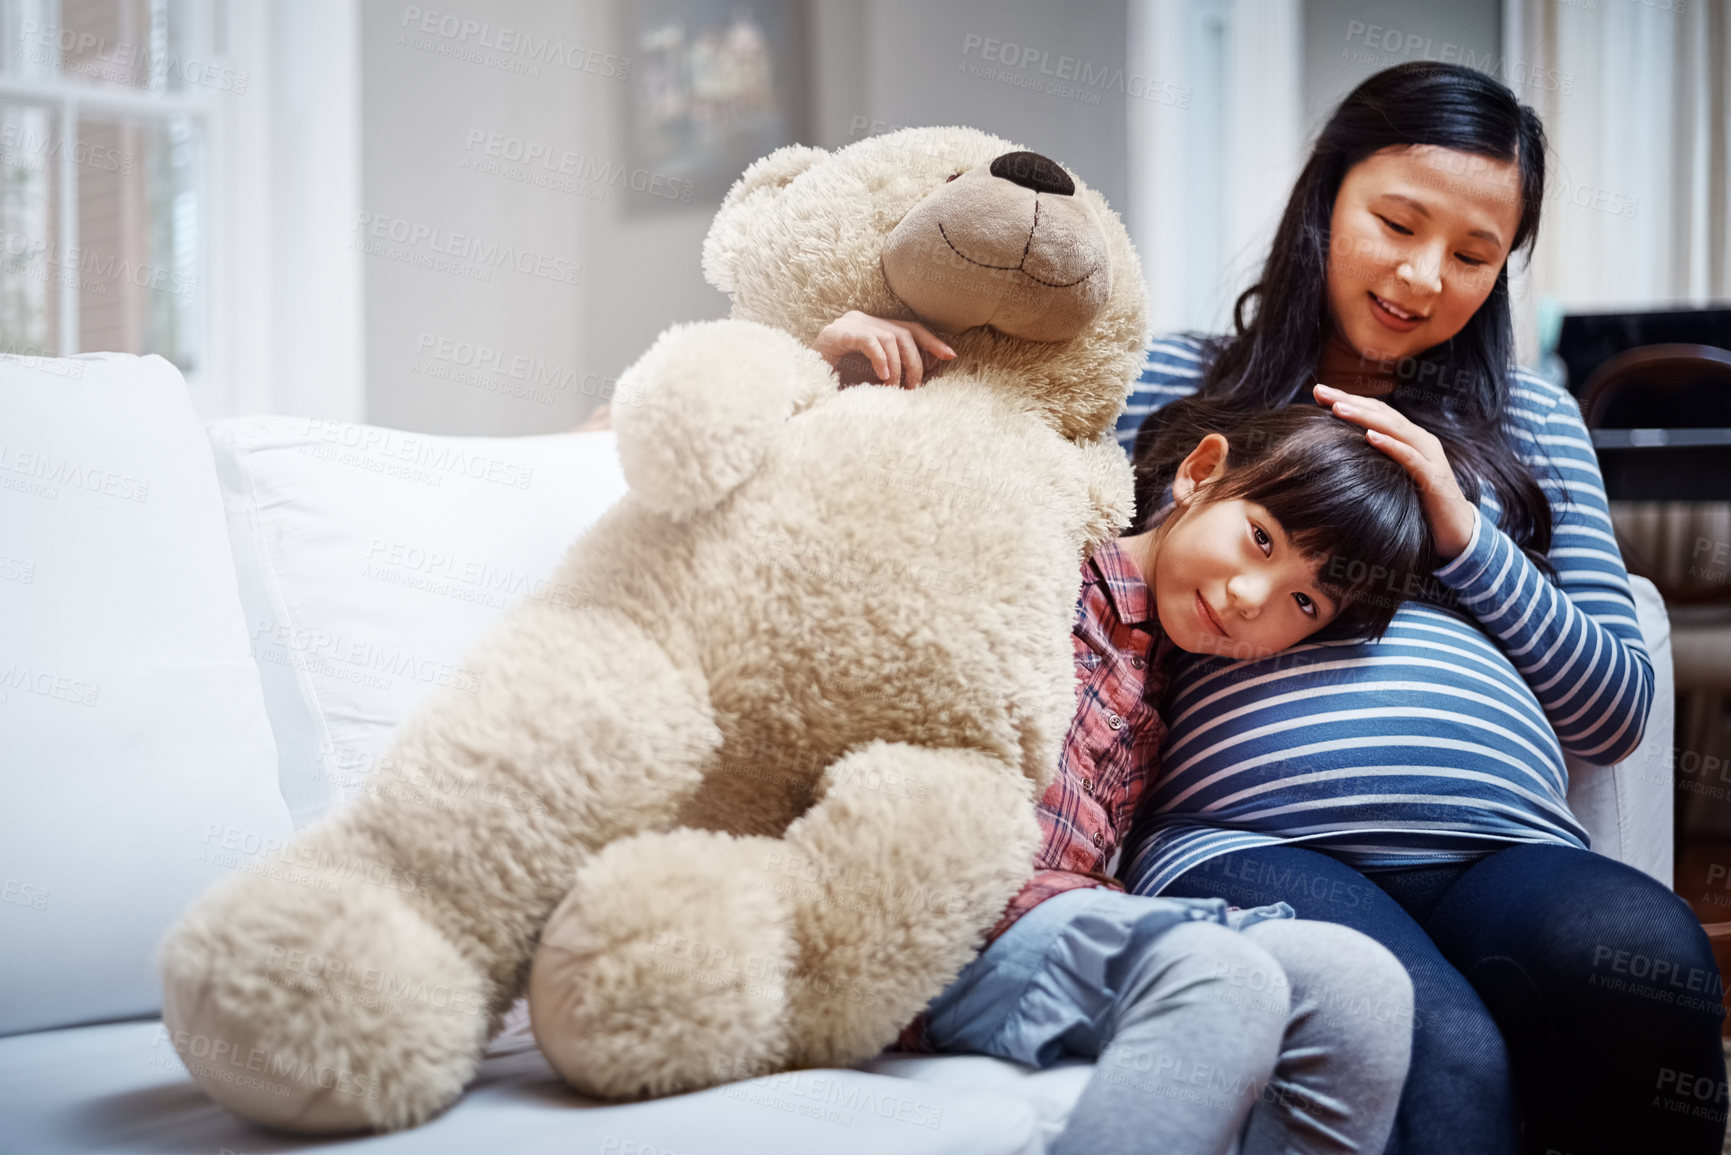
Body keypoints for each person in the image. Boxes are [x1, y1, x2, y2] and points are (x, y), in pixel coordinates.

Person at [1115, 61, 1725, 1155]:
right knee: (1432, 1046)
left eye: (1475, 254)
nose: (1423, 276)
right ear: (1326, 200)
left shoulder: (1532, 420)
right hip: (1246, 838)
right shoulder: (1176, 382)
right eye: (1396, 222)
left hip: (1502, 848)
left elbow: (1618, 714)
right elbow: (1019, 519)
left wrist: (1461, 529)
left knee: (1645, 963)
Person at [817, 304, 1426, 1155]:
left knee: (1362, 986)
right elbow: (844, 510)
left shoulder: (1178, 680)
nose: (1252, 598)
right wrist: (825, 372)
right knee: (1221, 975)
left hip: (1057, 922)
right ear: (1200, 472)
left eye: (1302, 602)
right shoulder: (1040, 549)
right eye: (1259, 538)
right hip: (937, 914)